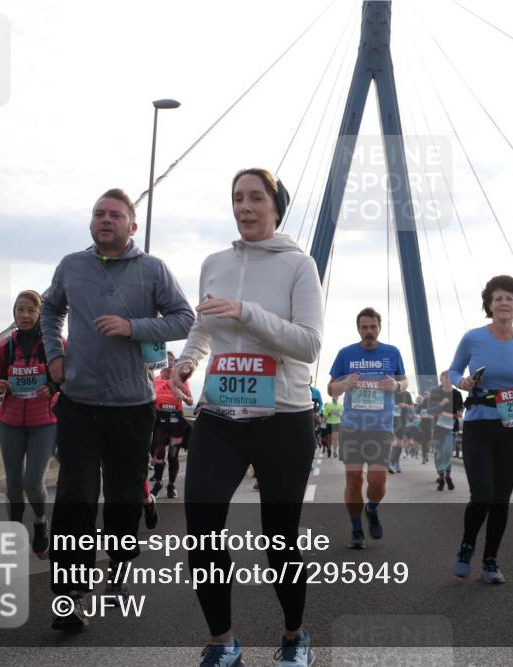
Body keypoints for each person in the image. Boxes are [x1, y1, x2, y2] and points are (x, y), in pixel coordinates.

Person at [170, 168, 323, 666]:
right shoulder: (214, 262)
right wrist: (189, 360)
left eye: (256, 197)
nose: (245, 206)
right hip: (219, 416)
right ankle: (222, 641)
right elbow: (203, 326)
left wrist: (247, 312)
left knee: (279, 538)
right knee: (202, 527)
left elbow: (308, 344)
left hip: (283, 418)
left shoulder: (300, 265)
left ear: (277, 207)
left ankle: (295, 636)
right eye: (237, 198)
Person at [42, 188, 193, 630]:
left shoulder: (153, 270)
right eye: (98, 214)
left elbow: (184, 318)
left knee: (125, 496)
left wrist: (133, 327)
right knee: (75, 497)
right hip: (79, 402)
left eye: (114, 215)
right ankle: (69, 595)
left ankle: (120, 563)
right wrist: (55, 355)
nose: (105, 220)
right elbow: (51, 310)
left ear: (132, 225)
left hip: (131, 405)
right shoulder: (72, 265)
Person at [449, 275, 513, 585]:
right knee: (483, 494)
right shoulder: (473, 338)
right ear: (489, 305)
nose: (504, 303)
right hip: (479, 422)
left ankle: (491, 560)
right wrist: (461, 382)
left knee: (501, 499)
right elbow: (453, 370)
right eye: (498, 298)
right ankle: (466, 546)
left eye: (509, 299)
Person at [0, 289, 59, 558]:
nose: (25, 315)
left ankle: (40, 523)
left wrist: (52, 386)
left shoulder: (53, 344)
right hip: (10, 422)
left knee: (32, 482)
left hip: (44, 423)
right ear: (14, 313)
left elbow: (68, 375)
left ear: (40, 314)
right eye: (20, 310)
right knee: (14, 484)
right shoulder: (4, 346)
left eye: (31, 310)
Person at [329, 307, 407, 550]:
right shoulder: (345, 354)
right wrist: (344, 382)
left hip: (380, 426)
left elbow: (404, 381)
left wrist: (395, 384)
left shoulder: (392, 352)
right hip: (352, 426)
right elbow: (331, 388)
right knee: (353, 479)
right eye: (364, 327)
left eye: (373, 326)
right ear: (358, 329)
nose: (369, 331)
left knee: (377, 479)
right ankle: (356, 528)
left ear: (379, 327)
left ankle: (371, 509)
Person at [150, 351, 193, 498]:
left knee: (173, 455)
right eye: (166, 361)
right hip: (160, 421)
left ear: (175, 364)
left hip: (176, 421)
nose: (169, 364)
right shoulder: (154, 380)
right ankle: (158, 483)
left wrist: (182, 396)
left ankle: (171, 485)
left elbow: (191, 401)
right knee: (159, 452)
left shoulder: (180, 381)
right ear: (161, 363)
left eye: (172, 361)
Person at [430, 371, 464, 491]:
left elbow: (461, 407)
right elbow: (430, 409)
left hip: (451, 427)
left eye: (450, 378)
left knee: (448, 452)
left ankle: (448, 476)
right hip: (438, 428)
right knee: (439, 455)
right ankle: (441, 477)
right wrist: (441, 404)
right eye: (446, 378)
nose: (449, 380)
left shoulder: (457, 394)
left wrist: (460, 412)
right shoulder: (435, 392)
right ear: (441, 380)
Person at [388, 382, 414, 472]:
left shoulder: (407, 394)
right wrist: (394, 406)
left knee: (399, 442)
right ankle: (391, 462)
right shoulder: (390, 392)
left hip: (402, 420)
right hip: (391, 419)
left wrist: (405, 405)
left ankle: (395, 462)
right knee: (393, 441)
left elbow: (412, 407)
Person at [322, 395, 343, 459]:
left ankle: (335, 451)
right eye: (333, 397)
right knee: (329, 438)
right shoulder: (328, 406)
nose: (334, 398)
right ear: (332, 398)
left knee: (335, 438)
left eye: (336, 397)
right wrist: (329, 414)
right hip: (329, 423)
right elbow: (324, 415)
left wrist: (338, 414)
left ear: (337, 398)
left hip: (337, 423)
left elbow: (342, 415)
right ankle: (329, 450)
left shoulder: (340, 406)